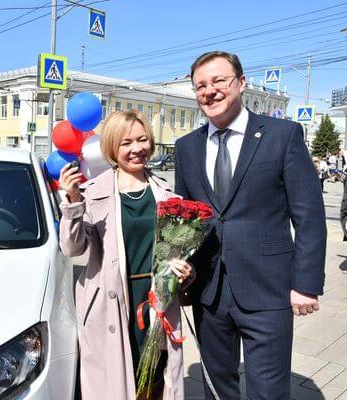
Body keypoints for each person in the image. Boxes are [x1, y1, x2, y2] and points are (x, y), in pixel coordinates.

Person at [174, 51, 326, 400]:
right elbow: (184, 219)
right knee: (217, 389)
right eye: (200, 86)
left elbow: (309, 216)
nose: (209, 91)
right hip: (209, 292)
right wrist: (177, 270)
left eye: (219, 81)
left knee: (268, 391)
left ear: (241, 83)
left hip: (268, 289)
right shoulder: (186, 147)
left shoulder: (282, 135)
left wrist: (306, 284)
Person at [59, 110, 194, 400]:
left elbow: (175, 253)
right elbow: (73, 250)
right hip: (111, 304)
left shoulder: (167, 195)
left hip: (154, 302)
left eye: (142, 140)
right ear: (112, 147)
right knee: (115, 385)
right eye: (126, 143)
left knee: (154, 380)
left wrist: (185, 271)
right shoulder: (92, 193)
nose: (137, 149)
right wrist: (72, 203)